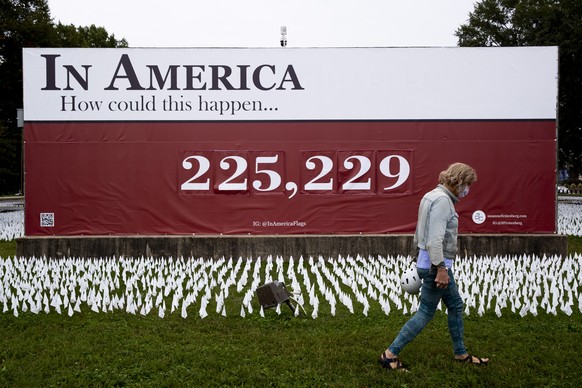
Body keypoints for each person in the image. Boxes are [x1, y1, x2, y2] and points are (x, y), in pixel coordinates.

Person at [379, 162, 489, 371]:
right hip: (435, 266)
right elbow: (434, 239)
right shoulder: (442, 202)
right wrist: (440, 269)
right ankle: (390, 354)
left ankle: (461, 353)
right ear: (459, 181)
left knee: (455, 305)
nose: (468, 190)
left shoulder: (431, 196)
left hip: (428, 262)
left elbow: (420, 232)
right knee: (426, 312)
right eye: (467, 184)